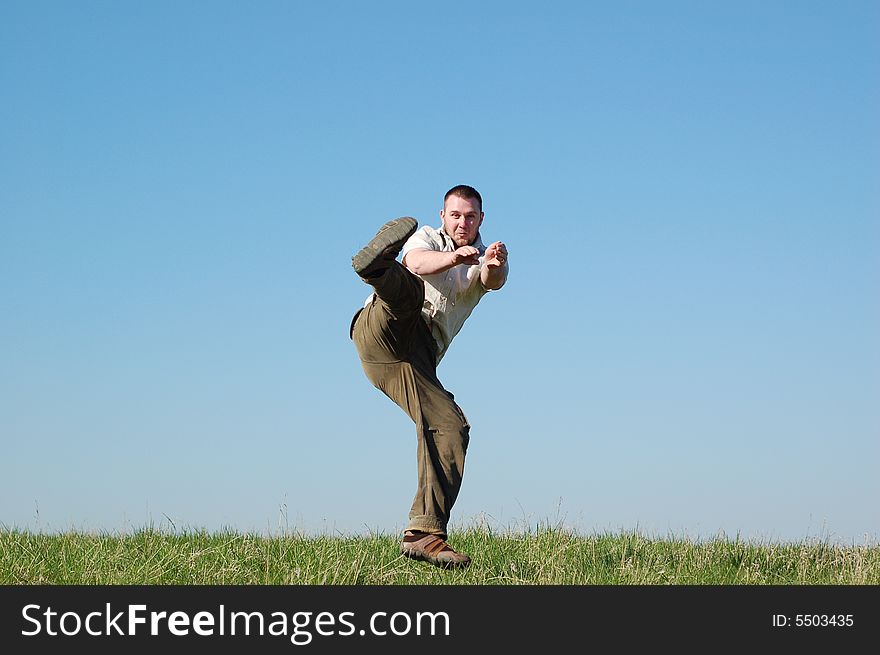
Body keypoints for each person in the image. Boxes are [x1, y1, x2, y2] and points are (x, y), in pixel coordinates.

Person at [348, 184, 509, 569]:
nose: (462, 223)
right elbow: (417, 262)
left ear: (480, 219)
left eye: (470, 217)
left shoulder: (483, 256)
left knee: (451, 426)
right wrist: (454, 258)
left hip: (415, 360)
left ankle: (425, 534)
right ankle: (376, 267)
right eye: (455, 215)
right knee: (408, 291)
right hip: (383, 328)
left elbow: (493, 280)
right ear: (443, 216)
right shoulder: (430, 239)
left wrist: (494, 263)